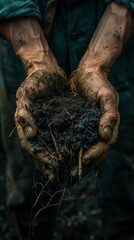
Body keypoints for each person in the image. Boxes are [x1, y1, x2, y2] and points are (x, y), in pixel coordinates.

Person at [0, 0, 134, 239]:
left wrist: (98, 65)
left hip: (120, 45)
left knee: (123, 187)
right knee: (27, 189)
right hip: (22, 40)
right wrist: (36, 62)